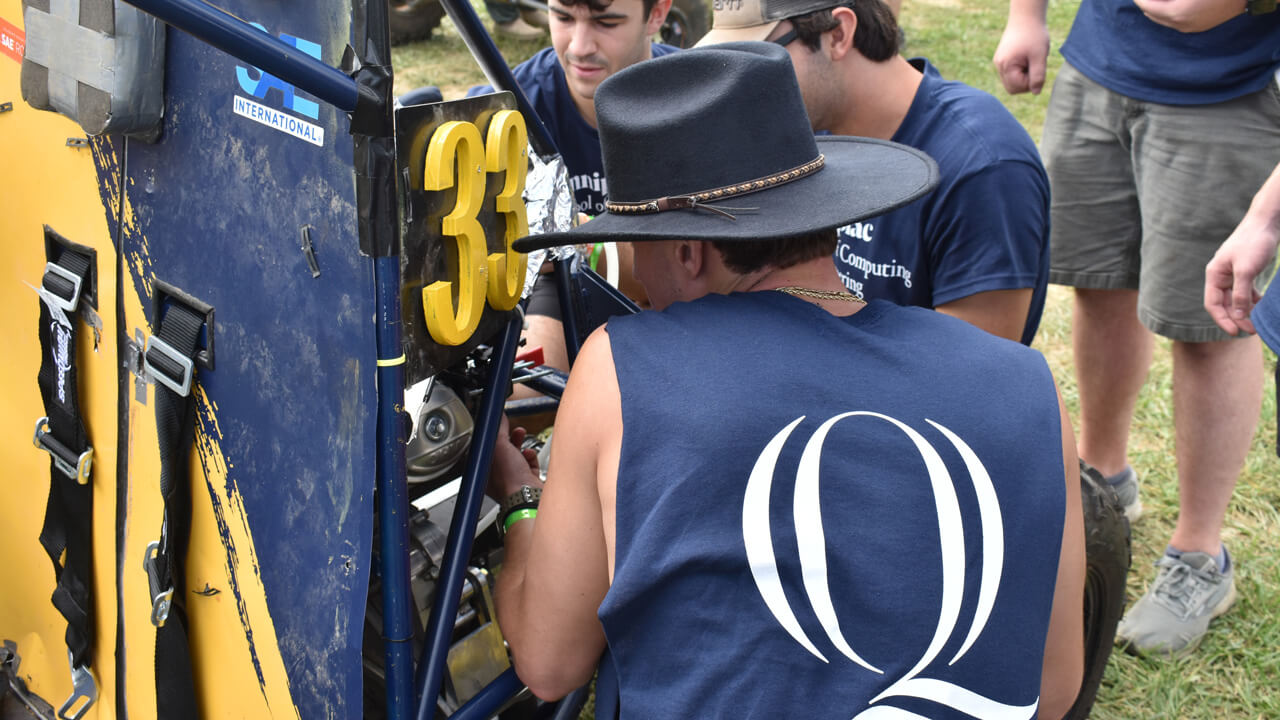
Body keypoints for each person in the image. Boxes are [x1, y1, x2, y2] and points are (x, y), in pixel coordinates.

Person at [488, 42, 1084, 719]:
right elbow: (1055, 687)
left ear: (687, 252)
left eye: (630, 246)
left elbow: (548, 662)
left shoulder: (621, 367)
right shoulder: (1026, 383)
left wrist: (519, 496)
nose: (634, 279)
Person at [994, 0, 1280, 656]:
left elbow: (1188, 8)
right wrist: (1026, 16)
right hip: (1098, 69)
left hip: (1229, 90)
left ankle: (1200, 557)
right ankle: (1104, 481)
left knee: (1209, 324)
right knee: (1100, 283)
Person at [698, 0, 1051, 345]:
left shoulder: (983, 168)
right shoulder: (805, 128)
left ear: (838, 34)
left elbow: (973, 375)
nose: (742, 83)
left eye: (759, 58)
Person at [469, 0, 676, 405]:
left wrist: (578, 238)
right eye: (563, 17)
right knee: (522, 399)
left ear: (657, 13)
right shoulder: (511, 107)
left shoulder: (700, 99)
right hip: (560, 282)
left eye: (606, 21)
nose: (579, 46)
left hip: (679, 288)